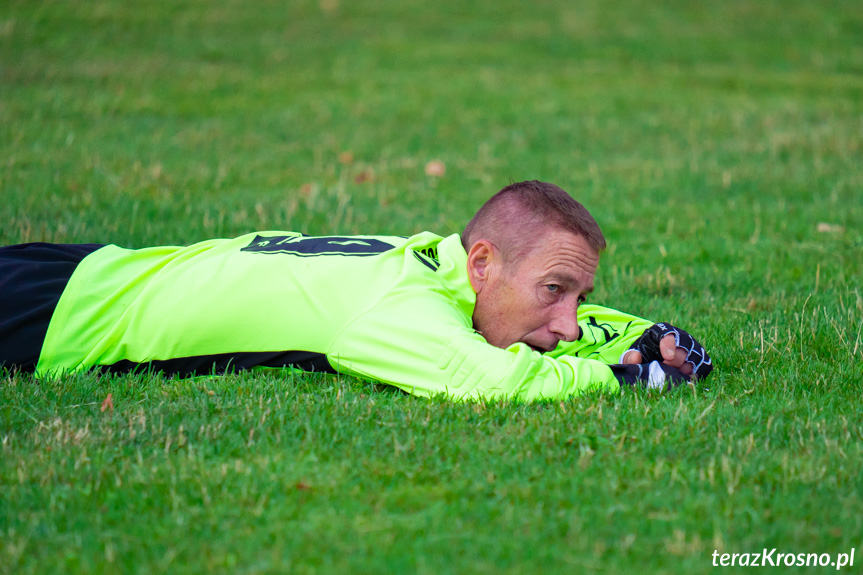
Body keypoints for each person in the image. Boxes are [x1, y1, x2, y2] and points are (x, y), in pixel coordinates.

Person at [0, 180, 712, 400]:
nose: (565, 321)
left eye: (578, 300)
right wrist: (623, 379)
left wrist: (643, 333)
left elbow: (554, 317)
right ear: (483, 264)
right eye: (553, 290)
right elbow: (486, 378)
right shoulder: (396, 310)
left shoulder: (427, 257)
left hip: (92, 266)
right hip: (52, 317)